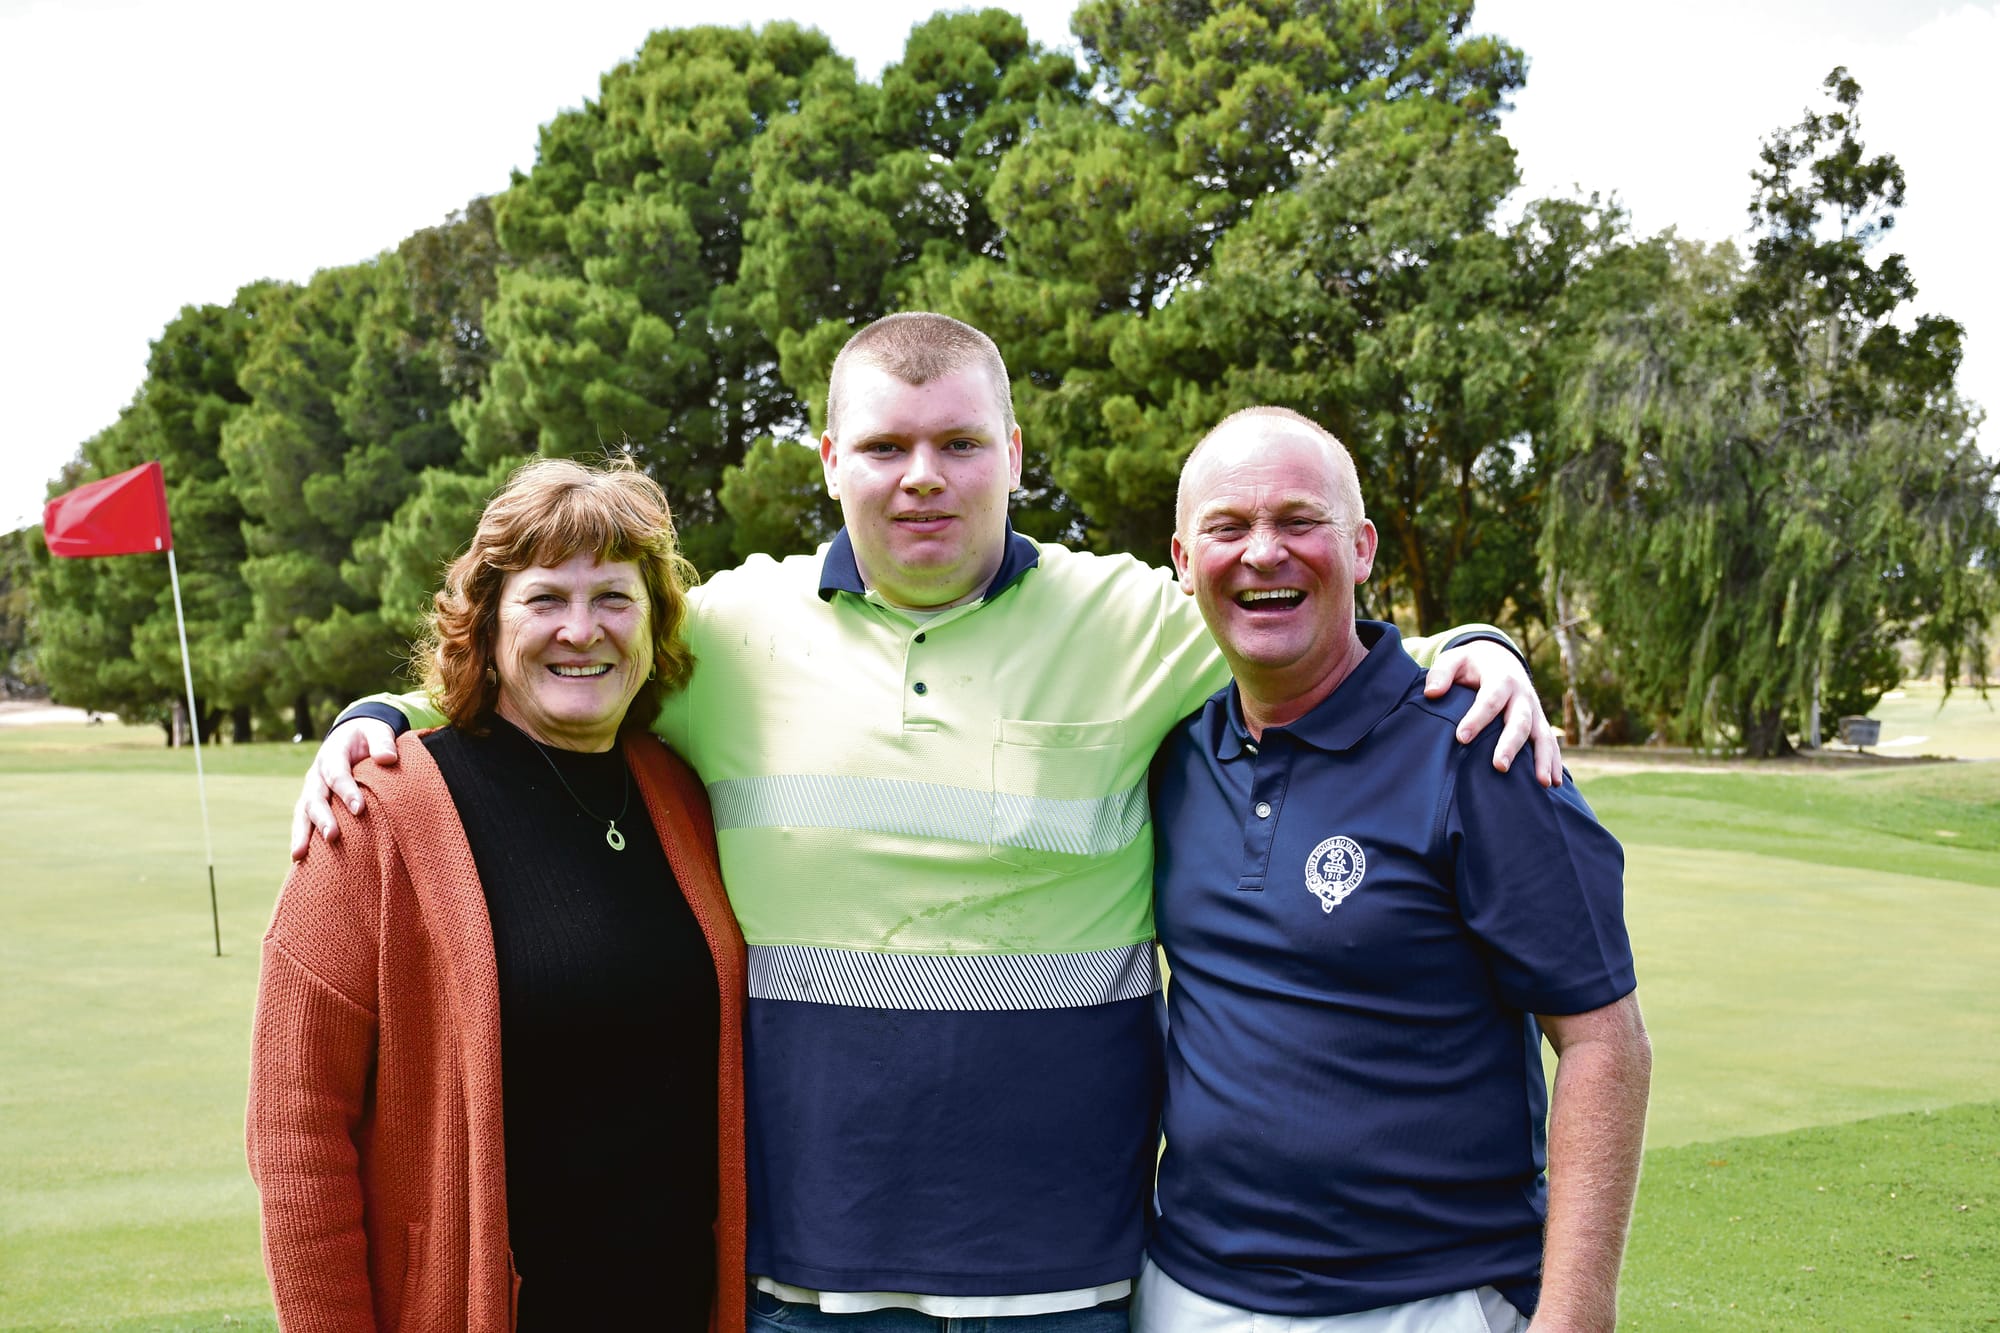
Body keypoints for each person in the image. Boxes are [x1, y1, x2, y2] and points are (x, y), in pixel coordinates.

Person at [290, 313, 1562, 1330]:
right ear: (827, 460)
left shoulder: (1135, 619)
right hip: (804, 1280)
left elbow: (1317, 633)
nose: (921, 478)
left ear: (1013, 452)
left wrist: (1480, 646)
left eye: (958, 443)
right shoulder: (730, 631)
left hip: (1067, 1278)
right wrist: (379, 714)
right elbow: (560, 666)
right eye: (885, 446)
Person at [1142, 408, 1652, 1332]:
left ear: (1362, 548)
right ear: (1183, 559)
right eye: (1228, 526)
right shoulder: (1177, 757)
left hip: (1428, 1300)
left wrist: (1576, 1317)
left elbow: (1603, 1043)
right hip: (1187, 1291)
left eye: (1300, 520)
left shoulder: (1479, 750)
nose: (1264, 552)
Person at [247, 459, 748, 1331]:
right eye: (545, 598)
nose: (581, 630)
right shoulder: (375, 809)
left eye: (614, 598)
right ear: (487, 620)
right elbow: (297, 1132)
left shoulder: (680, 795)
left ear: (655, 621)